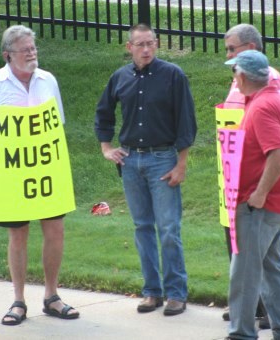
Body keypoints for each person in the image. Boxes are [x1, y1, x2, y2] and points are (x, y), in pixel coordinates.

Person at [0, 25, 79, 326]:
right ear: (8, 55)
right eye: (25, 49)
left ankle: (52, 296)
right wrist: (6, 156)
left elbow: (57, 122)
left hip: (47, 171)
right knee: (18, 235)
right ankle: (18, 301)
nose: (32, 53)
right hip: (11, 175)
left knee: (55, 230)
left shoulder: (48, 81)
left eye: (33, 48)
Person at [94, 23, 197, 316]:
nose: (146, 49)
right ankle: (152, 292)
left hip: (163, 160)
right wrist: (106, 148)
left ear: (157, 43)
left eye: (150, 43)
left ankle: (176, 293)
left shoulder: (172, 75)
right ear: (130, 48)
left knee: (168, 229)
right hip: (130, 161)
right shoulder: (120, 77)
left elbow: (186, 121)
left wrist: (181, 163)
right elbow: (104, 113)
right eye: (140, 44)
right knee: (142, 227)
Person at [224, 50, 280, 340]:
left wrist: (258, 194)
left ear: (242, 76)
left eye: (234, 73)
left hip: (261, 207)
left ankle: (241, 334)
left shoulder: (261, 108)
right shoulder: (277, 101)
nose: (234, 79)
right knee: (272, 271)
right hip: (279, 204)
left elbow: (278, 154)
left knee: (244, 276)